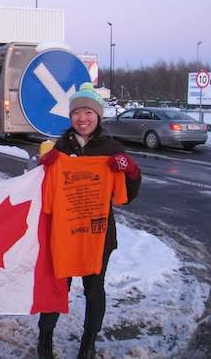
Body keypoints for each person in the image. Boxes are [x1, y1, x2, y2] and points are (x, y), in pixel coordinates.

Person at [36, 82, 141, 359]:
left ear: (98, 115)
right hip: (63, 232)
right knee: (57, 286)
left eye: (88, 112)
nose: (82, 118)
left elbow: (127, 196)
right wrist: (44, 168)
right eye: (77, 113)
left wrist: (130, 170)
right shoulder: (58, 147)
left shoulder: (112, 148)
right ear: (70, 117)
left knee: (94, 290)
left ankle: (89, 341)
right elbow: (42, 193)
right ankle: (44, 337)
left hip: (98, 234)